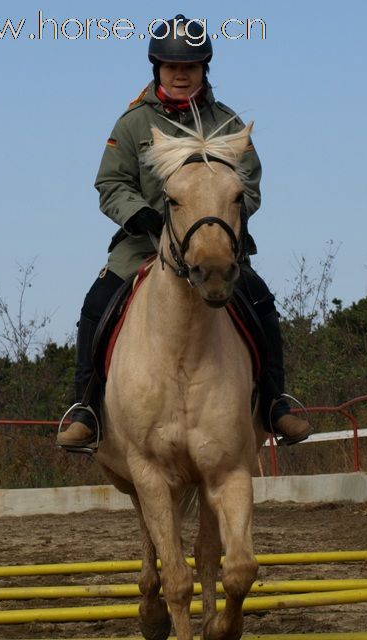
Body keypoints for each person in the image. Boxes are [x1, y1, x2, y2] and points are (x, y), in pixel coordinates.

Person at [57, 15, 312, 449]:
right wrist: (142, 216)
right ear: (156, 69)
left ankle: (274, 402)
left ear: (204, 70)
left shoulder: (230, 124)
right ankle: (86, 406)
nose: (180, 75)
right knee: (96, 303)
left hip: (214, 246)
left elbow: (248, 185)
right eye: (171, 67)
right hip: (143, 246)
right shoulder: (132, 124)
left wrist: (216, 218)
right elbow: (110, 184)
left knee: (260, 299)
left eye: (190, 67)